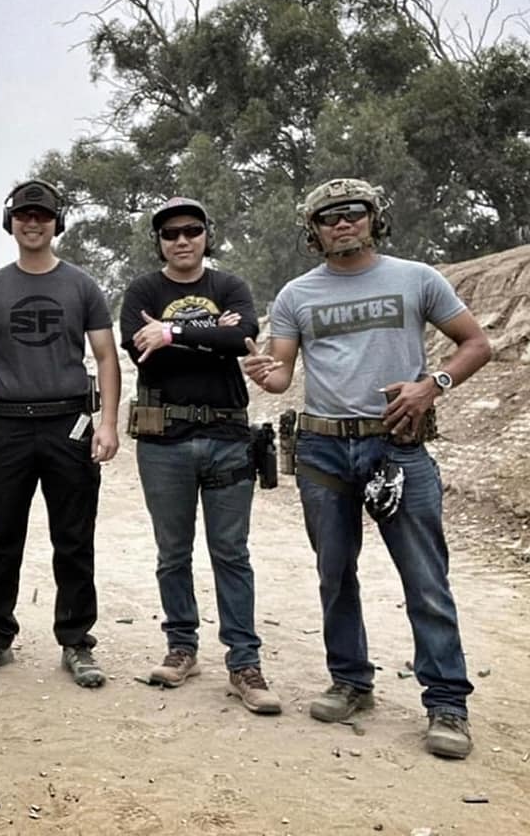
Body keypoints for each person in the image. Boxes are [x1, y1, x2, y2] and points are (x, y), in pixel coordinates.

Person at [243, 177, 491, 759]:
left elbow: (477, 345)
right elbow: (282, 374)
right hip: (323, 449)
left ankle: (447, 704)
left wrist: (432, 385)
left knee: (425, 579)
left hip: (397, 445)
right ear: (313, 231)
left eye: (353, 211)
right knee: (335, 574)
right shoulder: (296, 295)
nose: (342, 222)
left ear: (374, 217)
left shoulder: (417, 278)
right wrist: (265, 373)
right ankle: (351, 682)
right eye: (328, 217)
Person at [0, 179, 120, 688]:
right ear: (11, 223)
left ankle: (76, 641)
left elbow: (106, 356)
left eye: (42, 215)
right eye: (24, 215)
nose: (33, 223)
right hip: (6, 427)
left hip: (70, 425)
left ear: (56, 223)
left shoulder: (82, 286)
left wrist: (108, 423)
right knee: (2, 538)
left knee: (74, 539)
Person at [119, 197, 281, 713]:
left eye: (191, 230)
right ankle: (181, 647)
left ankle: (244, 663)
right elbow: (141, 350)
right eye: (170, 233)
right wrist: (213, 336)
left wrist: (172, 332)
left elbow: (243, 337)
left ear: (207, 234)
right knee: (173, 553)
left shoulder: (229, 285)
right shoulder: (143, 291)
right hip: (163, 440)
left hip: (228, 437)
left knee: (231, 552)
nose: (182, 240)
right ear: (159, 242)